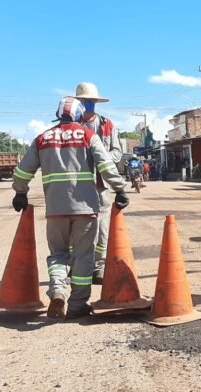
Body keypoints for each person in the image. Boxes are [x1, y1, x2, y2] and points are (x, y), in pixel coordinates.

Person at [11, 97, 128, 319]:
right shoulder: (88, 136)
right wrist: (120, 189)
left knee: (58, 254)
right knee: (83, 257)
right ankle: (76, 305)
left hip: (55, 209)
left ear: (58, 115)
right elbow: (107, 166)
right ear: (78, 115)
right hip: (85, 208)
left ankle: (57, 290)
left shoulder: (42, 139)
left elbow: (22, 171)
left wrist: (20, 192)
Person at [75, 82, 123, 285]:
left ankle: (99, 268)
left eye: (92, 101)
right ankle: (75, 268)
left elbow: (117, 153)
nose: (89, 105)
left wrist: (99, 156)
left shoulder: (107, 125)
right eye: (85, 101)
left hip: (101, 184)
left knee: (102, 229)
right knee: (78, 229)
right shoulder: (71, 126)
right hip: (76, 187)